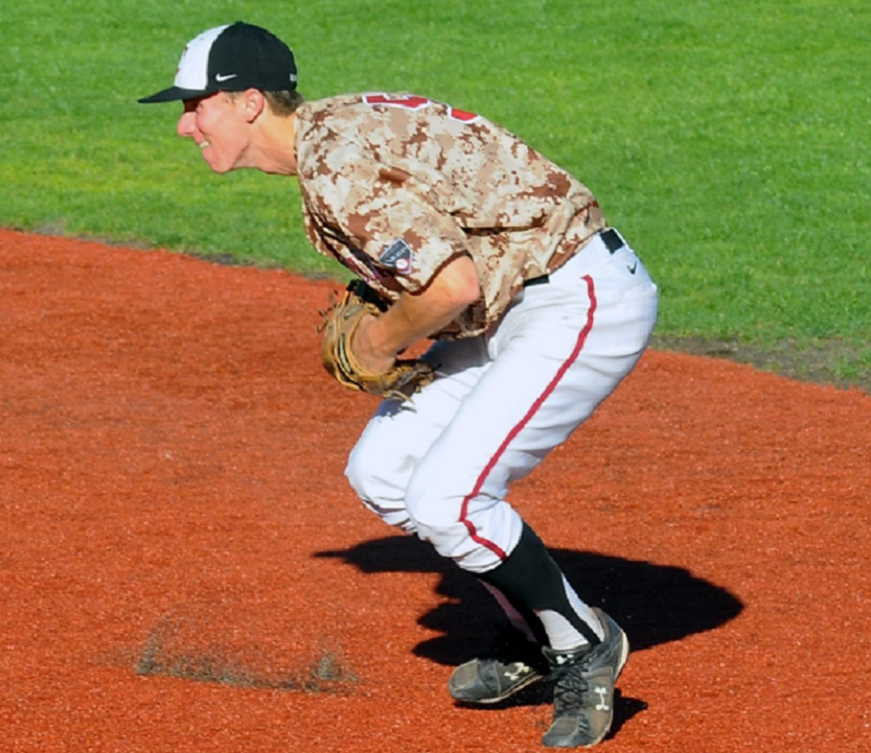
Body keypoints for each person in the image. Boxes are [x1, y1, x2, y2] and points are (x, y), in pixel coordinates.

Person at [140, 21, 658, 749]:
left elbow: (452, 283)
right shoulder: (328, 141)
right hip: (514, 300)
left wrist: (378, 341)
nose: (184, 125)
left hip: (576, 296)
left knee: (447, 498)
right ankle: (534, 629)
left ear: (250, 101)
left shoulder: (335, 168)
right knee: (383, 470)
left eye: (196, 105)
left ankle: (581, 643)